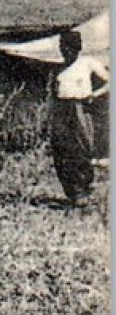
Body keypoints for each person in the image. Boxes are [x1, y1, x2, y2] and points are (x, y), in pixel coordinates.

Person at [49, 28, 108, 207]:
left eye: (68, 47)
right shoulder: (58, 68)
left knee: (82, 148)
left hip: (81, 108)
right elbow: (52, 94)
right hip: (61, 109)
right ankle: (72, 192)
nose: (64, 51)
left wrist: (95, 95)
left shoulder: (87, 63)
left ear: (76, 48)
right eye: (62, 47)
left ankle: (84, 188)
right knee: (62, 148)